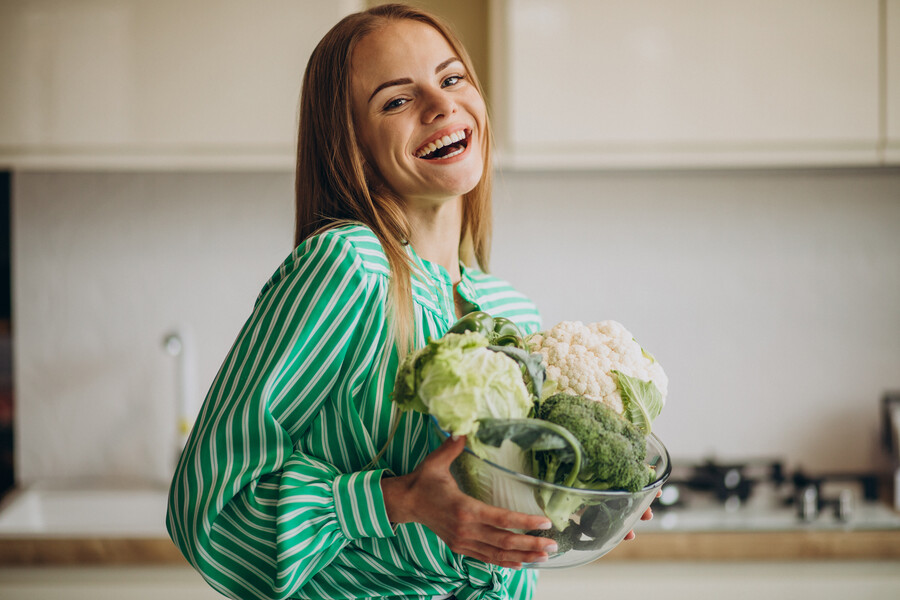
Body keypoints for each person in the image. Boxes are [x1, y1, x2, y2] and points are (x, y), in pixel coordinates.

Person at [166, 5, 652, 600]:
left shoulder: (508, 309)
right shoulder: (347, 267)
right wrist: (395, 501)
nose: (441, 104)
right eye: (396, 100)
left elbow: (497, 545)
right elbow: (208, 505)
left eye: (451, 79)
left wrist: (582, 508)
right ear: (352, 145)